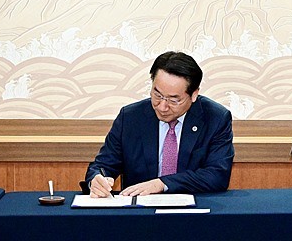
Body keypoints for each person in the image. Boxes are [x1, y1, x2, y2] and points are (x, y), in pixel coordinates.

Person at [86, 51, 234, 197]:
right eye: (157, 95)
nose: (162, 107)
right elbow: (103, 165)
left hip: (194, 208)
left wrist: (162, 184)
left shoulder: (215, 118)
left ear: (194, 94)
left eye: (173, 100)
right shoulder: (131, 118)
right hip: (141, 209)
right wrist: (96, 179)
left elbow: (217, 175)